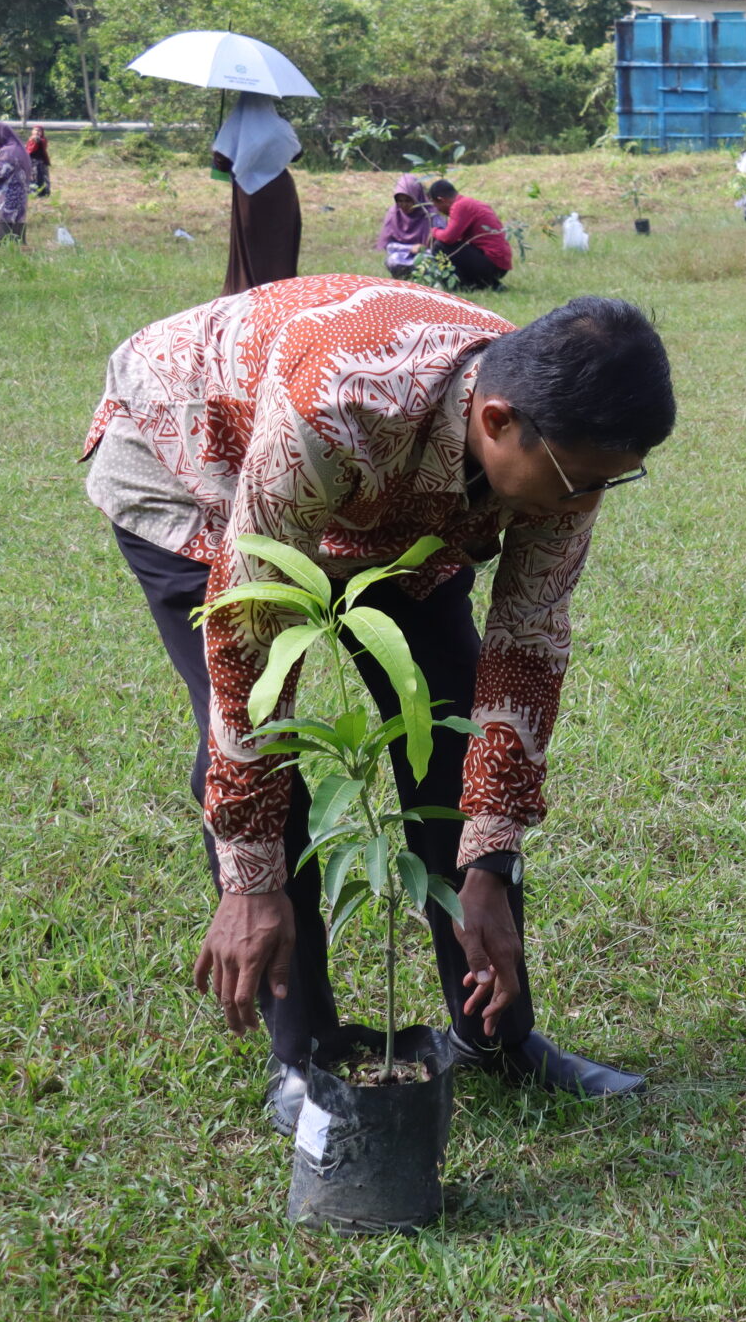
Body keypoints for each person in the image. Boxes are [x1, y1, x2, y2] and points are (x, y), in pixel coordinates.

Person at [79, 277, 676, 1131]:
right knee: (264, 737)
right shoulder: (342, 401)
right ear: (497, 420)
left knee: (450, 713)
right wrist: (249, 879)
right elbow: (250, 650)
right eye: (576, 482)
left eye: (606, 484)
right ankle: (304, 1059)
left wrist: (489, 861)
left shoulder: (561, 444)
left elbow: (528, 644)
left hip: (385, 493)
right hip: (195, 454)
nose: (582, 504)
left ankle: (494, 1036)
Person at [211, 93, 302, 295]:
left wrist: (220, 143)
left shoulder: (234, 126)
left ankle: (247, 288)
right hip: (280, 190)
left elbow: (222, 161)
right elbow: (296, 153)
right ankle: (281, 291)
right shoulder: (280, 127)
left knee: (250, 240)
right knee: (280, 242)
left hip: (249, 193)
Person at [428, 179, 513, 290]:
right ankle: (487, 284)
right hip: (499, 263)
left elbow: (448, 238)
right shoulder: (469, 203)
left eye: (436, 205)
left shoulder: (460, 206)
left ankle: (456, 286)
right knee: (452, 247)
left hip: (492, 263)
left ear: (441, 200)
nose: (437, 210)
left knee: (440, 246)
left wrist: (434, 231)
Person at [0, 121, 31, 249]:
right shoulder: (19, 149)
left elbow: (0, 175)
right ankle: (15, 253)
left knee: (0, 233)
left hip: (5, 199)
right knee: (16, 232)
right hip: (20, 198)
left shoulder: (7, 152)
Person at [377, 173, 436, 279]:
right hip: (402, 256)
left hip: (426, 255)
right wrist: (410, 248)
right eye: (400, 201)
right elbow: (388, 246)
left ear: (417, 198)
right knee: (392, 260)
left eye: (408, 200)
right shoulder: (394, 214)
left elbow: (440, 244)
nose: (404, 205)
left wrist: (422, 249)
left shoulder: (429, 214)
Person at [26, 124, 51, 199]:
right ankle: (32, 192)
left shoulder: (42, 140)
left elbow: (38, 145)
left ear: (42, 132)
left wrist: (36, 139)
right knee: (31, 177)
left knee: (39, 177)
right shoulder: (31, 139)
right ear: (32, 131)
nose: (37, 132)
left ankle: (41, 193)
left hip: (39, 162)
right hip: (31, 161)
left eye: (39, 131)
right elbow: (28, 149)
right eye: (35, 130)